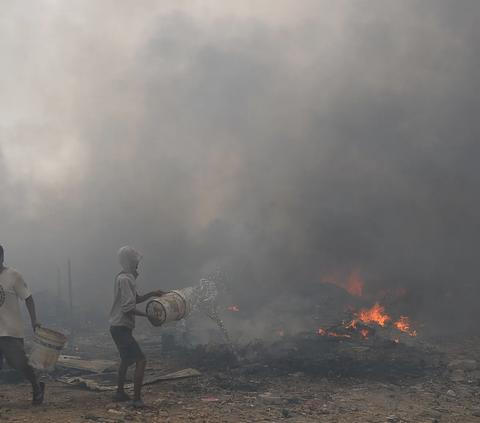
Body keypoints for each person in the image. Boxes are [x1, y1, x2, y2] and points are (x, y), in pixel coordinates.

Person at [109, 246, 165, 408]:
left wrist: (152, 294)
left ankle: (120, 393)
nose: (137, 264)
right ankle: (137, 400)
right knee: (141, 360)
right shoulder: (126, 279)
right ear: (130, 261)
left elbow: (134, 299)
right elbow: (127, 307)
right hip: (121, 327)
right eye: (136, 261)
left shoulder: (123, 277)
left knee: (126, 359)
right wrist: (150, 316)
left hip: (118, 327)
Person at [0, 245, 45, 405]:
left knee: (19, 362)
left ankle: (36, 388)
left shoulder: (13, 275)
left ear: (2, 257)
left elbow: (28, 297)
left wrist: (33, 319)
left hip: (10, 330)